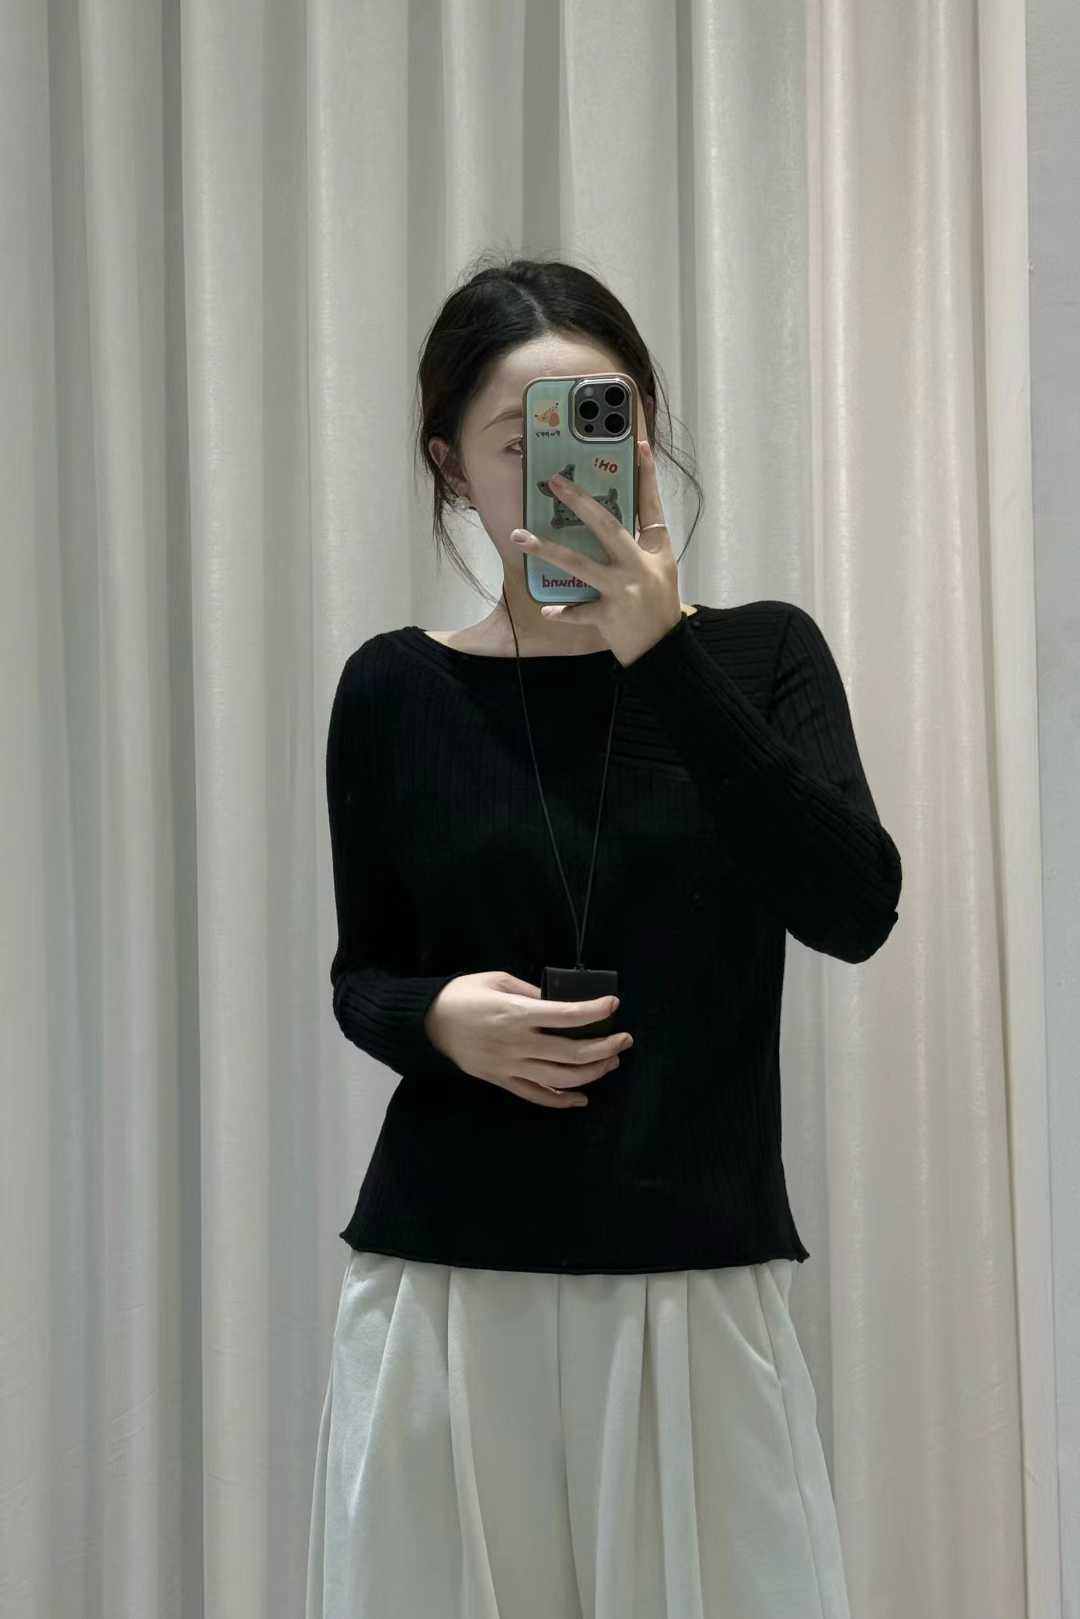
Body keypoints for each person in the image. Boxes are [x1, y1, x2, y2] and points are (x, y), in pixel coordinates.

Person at [305, 256, 902, 1619]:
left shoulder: (761, 657)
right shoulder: (393, 689)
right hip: (450, 1286)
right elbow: (362, 976)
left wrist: (664, 654)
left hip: (693, 1281)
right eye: (523, 443)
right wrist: (438, 1021)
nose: (572, 469)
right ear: (453, 468)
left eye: (605, 419)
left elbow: (855, 907)